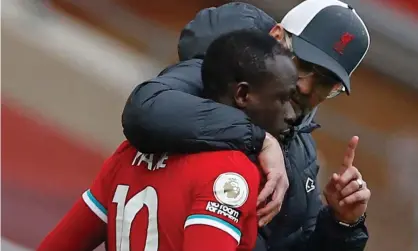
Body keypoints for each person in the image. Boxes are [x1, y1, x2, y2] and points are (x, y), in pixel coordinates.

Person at [122, 1, 372, 251]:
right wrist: (260, 139)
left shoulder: (303, 151)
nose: (305, 87)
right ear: (276, 38)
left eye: (325, 82)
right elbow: (145, 108)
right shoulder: (218, 78)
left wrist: (342, 226)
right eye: (304, 64)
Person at [37, 29, 298, 251]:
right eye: (282, 99)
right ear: (242, 94)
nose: (291, 114)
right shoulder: (231, 172)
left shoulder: (128, 154)